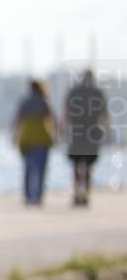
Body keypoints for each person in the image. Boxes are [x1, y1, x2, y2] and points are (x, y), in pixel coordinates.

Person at [63, 69, 109, 207]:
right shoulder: (97, 93)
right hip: (92, 133)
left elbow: (66, 112)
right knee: (88, 165)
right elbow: (105, 114)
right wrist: (107, 130)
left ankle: (77, 192)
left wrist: (63, 129)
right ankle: (85, 193)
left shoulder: (74, 92)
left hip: (77, 132)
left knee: (76, 164)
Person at [11, 79, 56, 206]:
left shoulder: (24, 102)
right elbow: (52, 120)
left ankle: (27, 196)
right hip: (42, 139)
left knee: (28, 169)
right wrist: (57, 135)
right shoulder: (44, 102)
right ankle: (38, 197)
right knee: (41, 170)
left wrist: (14, 136)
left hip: (27, 139)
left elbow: (17, 120)